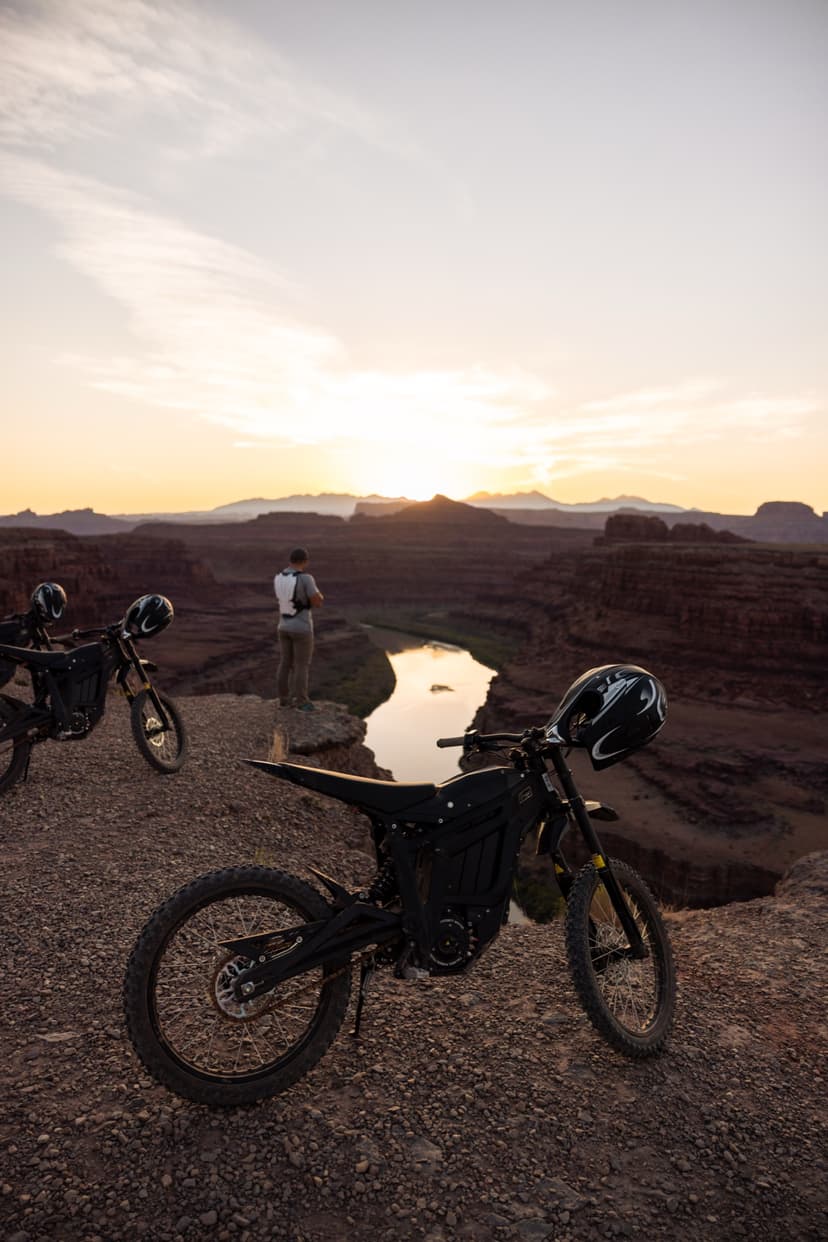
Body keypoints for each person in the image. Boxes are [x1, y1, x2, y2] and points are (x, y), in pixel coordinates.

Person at [274, 547, 324, 711]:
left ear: (290, 560)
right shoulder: (306, 578)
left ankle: (283, 699)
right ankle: (301, 701)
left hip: (283, 626)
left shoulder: (279, 577)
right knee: (301, 665)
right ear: (305, 561)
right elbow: (317, 601)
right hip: (301, 628)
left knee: (285, 662)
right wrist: (319, 597)